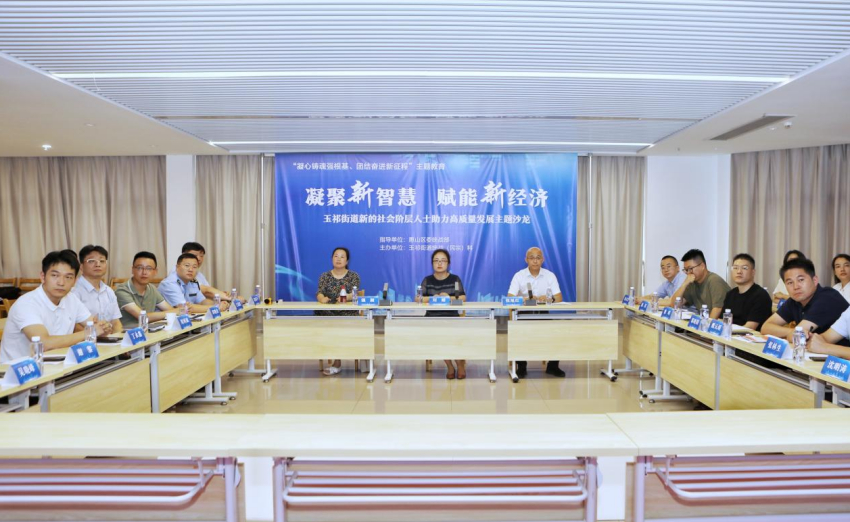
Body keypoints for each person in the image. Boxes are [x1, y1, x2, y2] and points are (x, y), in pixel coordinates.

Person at [1, 251, 103, 363]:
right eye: (55, 275)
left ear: (75, 281)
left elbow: (93, 324)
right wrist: (89, 333)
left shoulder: (71, 298)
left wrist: (103, 326)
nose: (61, 282)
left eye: (68, 277)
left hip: (57, 363)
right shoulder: (26, 303)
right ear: (43, 277)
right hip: (19, 369)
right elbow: (44, 343)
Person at [761, 257, 849, 344]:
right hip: (814, 350)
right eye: (790, 282)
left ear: (815, 280)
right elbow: (765, 327)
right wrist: (793, 331)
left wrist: (795, 332)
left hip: (840, 352)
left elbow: (796, 336)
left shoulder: (827, 298)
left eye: (801, 280)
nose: (796, 287)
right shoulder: (794, 300)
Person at [507, 246, 565, 378]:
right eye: (531, 258)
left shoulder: (549, 275)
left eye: (538, 258)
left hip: (543, 314)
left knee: (557, 331)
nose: (535, 261)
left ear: (542, 260)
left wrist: (548, 298)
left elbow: (559, 297)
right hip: (524, 314)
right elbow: (510, 297)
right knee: (518, 332)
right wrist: (525, 299)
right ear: (526, 260)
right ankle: (521, 366)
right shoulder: (519, 276)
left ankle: (553, 366)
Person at [420, 248, 467, 379]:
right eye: (436, 261)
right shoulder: (427, 280)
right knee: (439, 336)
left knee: (453, 335)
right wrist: (433, 298)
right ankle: (449, 366)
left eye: (443, 260)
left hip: (451, 317)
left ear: (448, 263)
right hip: (432, 318)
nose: (439, 263)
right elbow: (418, 298)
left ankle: (460, 364)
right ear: (432, 263)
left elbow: (463, 297)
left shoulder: (455, 279)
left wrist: (448, 298)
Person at [315, 247, 361, 375]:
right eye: (336, 256)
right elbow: (319, 292)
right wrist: (322, 298)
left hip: (347, 313)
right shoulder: (325, 276)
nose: (338, 259)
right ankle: (334, 359)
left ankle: (337, 362)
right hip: (328, 313)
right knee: (327, 324)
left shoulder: (353, 276)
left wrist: (345, 297)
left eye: (342, 256)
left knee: (338, 325)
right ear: (331, 259)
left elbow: (355, 294)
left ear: (347, 261)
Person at [70, 244, 123, 335]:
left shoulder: (109, 291)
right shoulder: (74, 291)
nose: (98, 264)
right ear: (81, 266)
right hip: (85, 340)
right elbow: (73, 327)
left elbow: (116, 322)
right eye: (91, 261)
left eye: (102, 261)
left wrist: (119, 339)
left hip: (108, 339)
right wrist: (98, 334)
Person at [115, 251, 176, 329]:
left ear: (155, 272)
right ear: (132, 270)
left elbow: (169, 309)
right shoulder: (122, 290)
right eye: (139, 268)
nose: (144, 272)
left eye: (149, 268)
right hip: (128, 334)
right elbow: (143, 318)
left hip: (149, 332)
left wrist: (175, 311)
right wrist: (176, 311)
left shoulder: (152, 288)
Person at [669, 249, 731, 319]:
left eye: (690, 268)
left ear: (702, 266)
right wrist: (684, 284)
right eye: (686, 270)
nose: (688, 272)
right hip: (705, 321)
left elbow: (717, 309)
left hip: (722, 322)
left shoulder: (714, 281)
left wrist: (706, 325)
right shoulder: (692, 282)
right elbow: (674, 305)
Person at [722, 253, 772, 330]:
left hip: (748, 335)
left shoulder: (761, 296)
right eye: (735, 268)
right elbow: (722, 320)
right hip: (729, 334)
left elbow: (749, 328)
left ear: (753, 272)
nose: (739, 271)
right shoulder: (730, 294)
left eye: (744, 268)